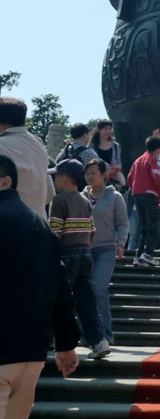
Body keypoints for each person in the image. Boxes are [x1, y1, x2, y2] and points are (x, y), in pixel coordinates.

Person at [0, 155, 80, 418]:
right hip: (31, 354)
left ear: (5, 181)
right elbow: (61, 290)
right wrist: (66, 343)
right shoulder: (42, 227)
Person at [47, 159, 111, 360]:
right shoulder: (84, 200)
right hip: (85, 255)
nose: (54, 180)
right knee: (87, 301)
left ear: (65, 178)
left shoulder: (59, 200)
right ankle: (99, 341)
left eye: (56, 176)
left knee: (56, 299)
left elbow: (55, 233)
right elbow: (91, 231)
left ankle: (50, 340)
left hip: (66, 255)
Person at [83, 158, 129, 344]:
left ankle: (106, 333)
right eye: (87, 173)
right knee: (85, 291)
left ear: (104, 175)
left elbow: (123, 223)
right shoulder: (81, 196)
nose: (89, 177)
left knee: (100, 288)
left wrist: (121, 243)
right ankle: (88, 333)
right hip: (84, 250)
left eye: (93, 173)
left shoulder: (115, 197)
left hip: (106, 249)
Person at [0, 97, 55, 218]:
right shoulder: (38, 143)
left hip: (7, 224)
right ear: (23, 120)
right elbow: (49, 194)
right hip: (38, 224)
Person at [127, 135, 160, 267]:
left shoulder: (137, 160)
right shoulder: (153, 160)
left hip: (137, 195)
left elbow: (129, 179)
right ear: (158, 148)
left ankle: (138, 256)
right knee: (153, 225)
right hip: (150, 195)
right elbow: (157, 177)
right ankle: (148, 254)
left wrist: (136, 189)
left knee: (144, 227)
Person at [89, 120, 125, 187]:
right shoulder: (92, 146)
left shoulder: (115, 146)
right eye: (105, 129)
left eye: (110, 129)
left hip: (112, 179)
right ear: (99, 130)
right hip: (96, 178)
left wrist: (114, 169)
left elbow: (119, 163)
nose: (108, 131)